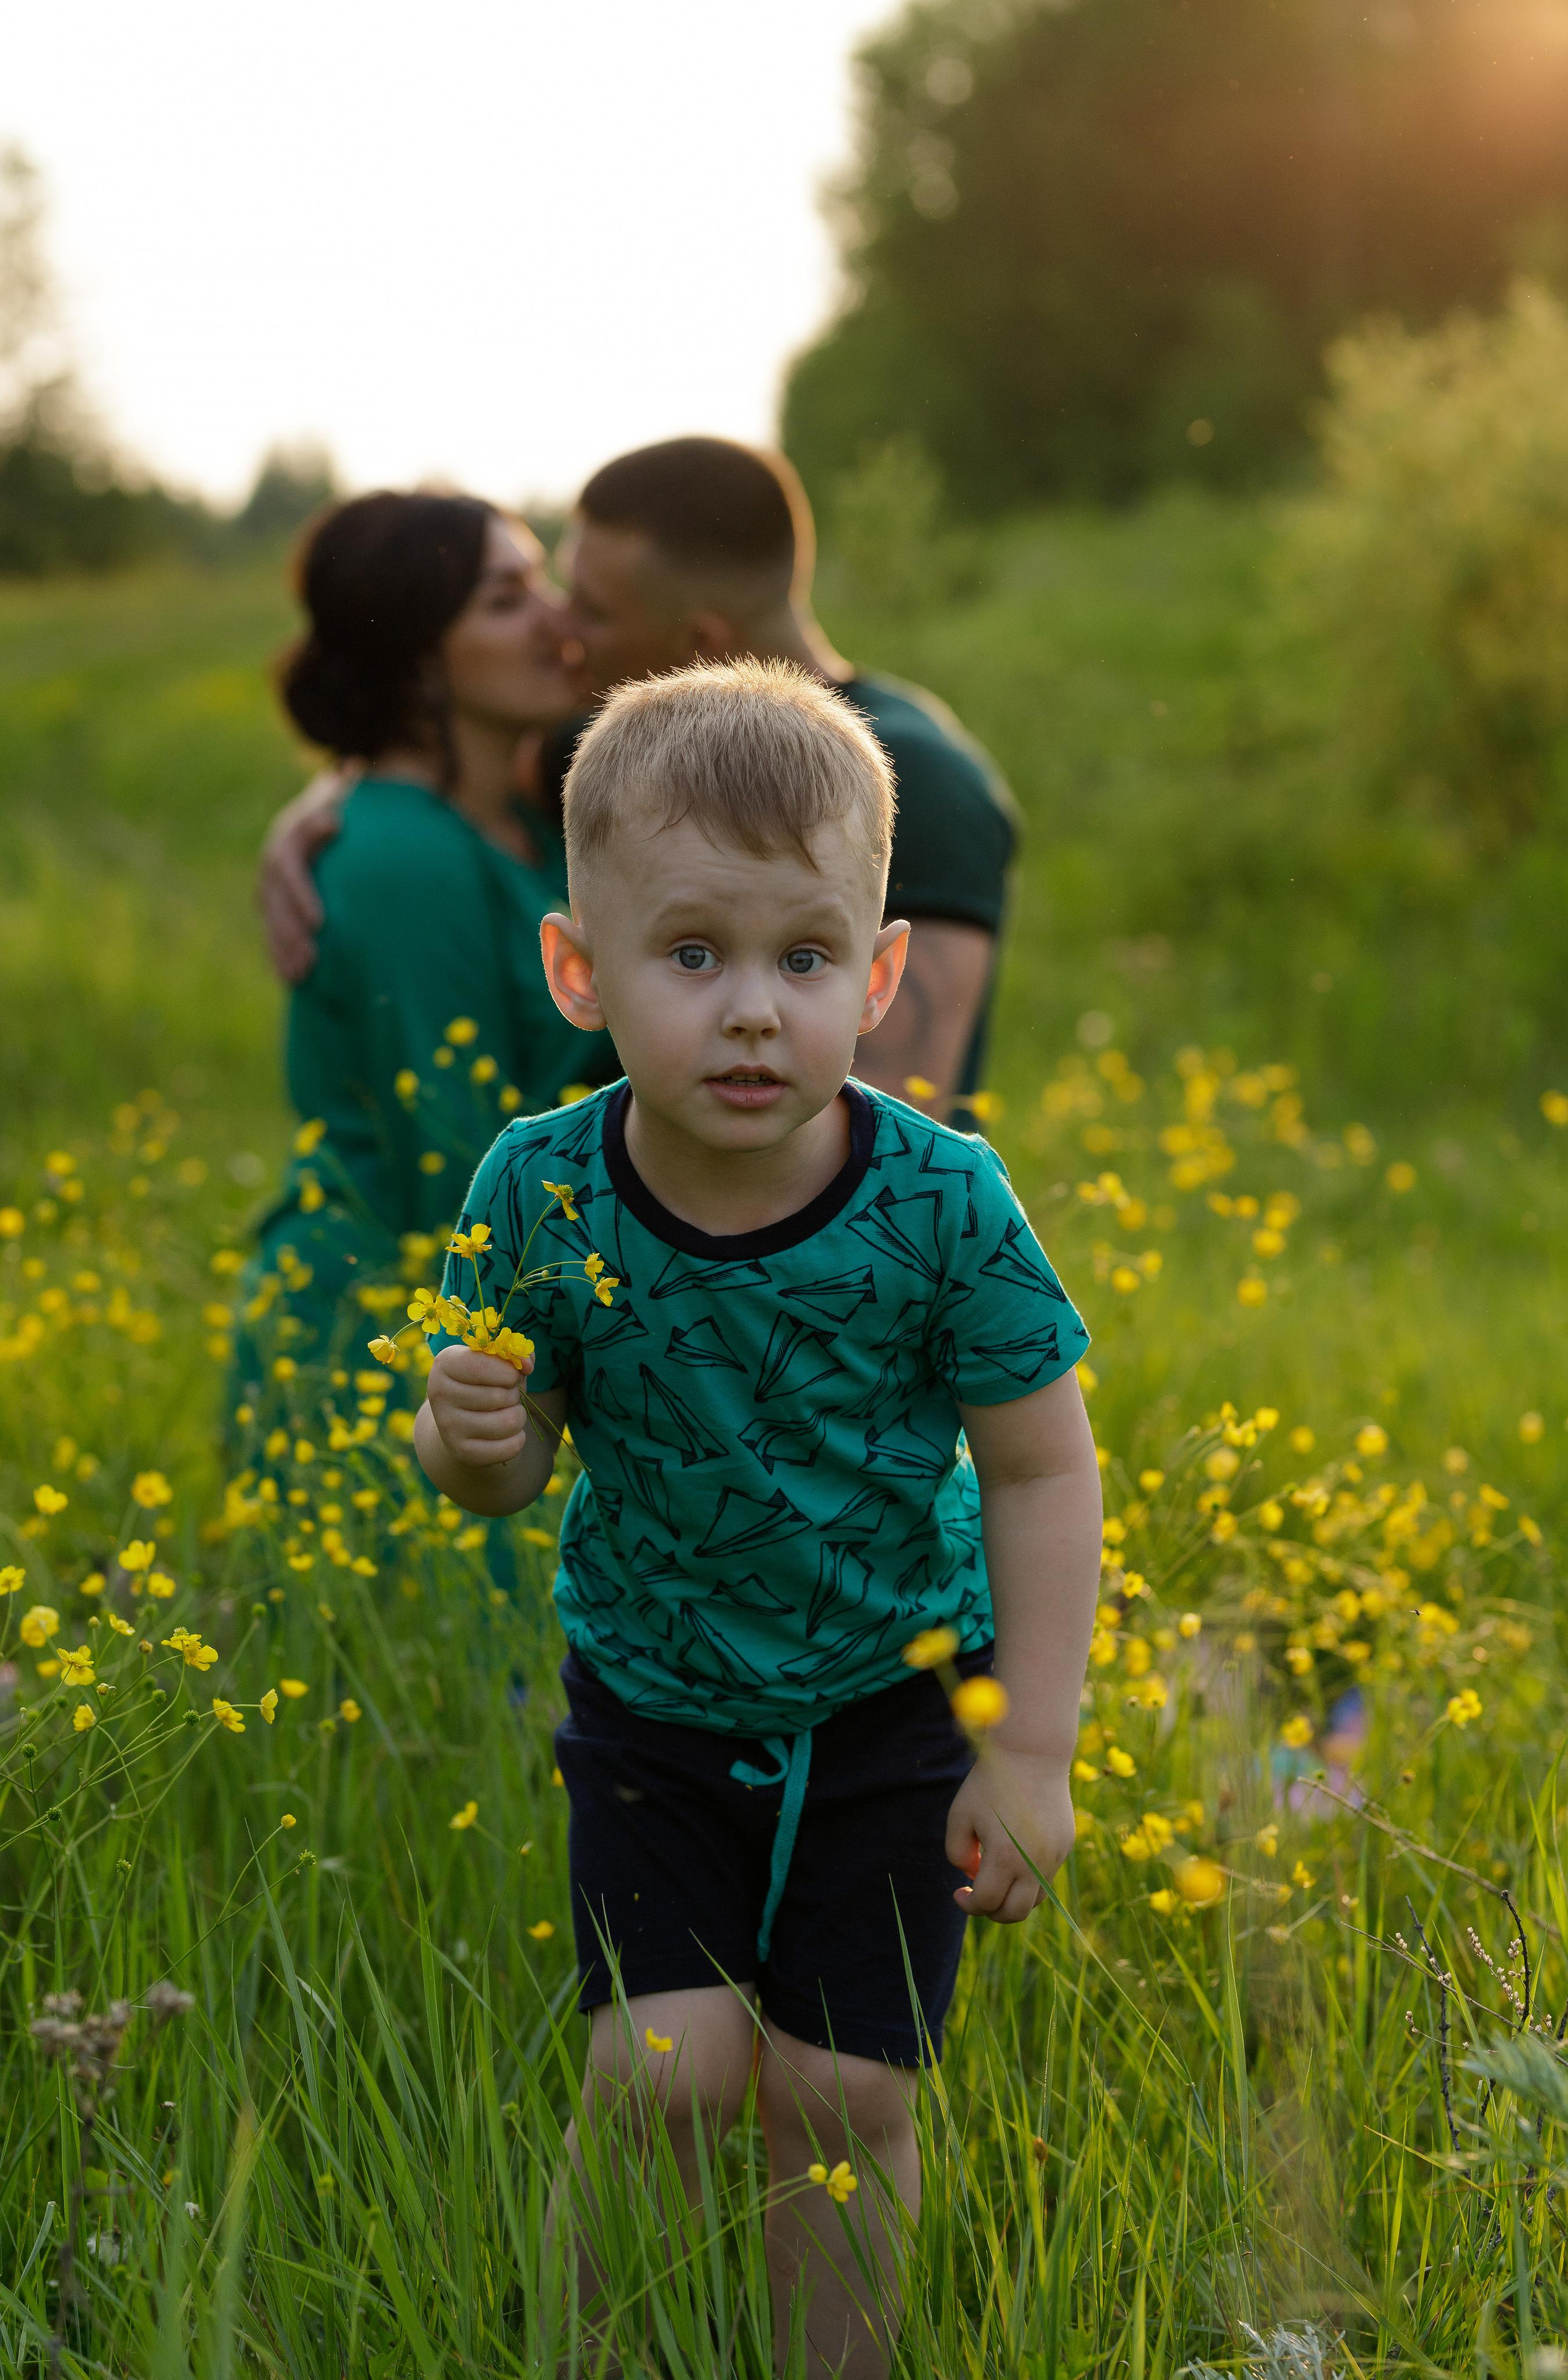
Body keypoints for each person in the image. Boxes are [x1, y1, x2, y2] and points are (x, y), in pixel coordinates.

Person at [410, 659, 1100, 2377]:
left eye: (802, 960)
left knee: (847, 2086)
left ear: (878, 979)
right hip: (652, 1693)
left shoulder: (944, 1200)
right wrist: (473, 1435)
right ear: (581, 968)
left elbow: (1039, 1464)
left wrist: (1032, 1751)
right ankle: (591, 2352)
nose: (747, 1011)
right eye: (691, 953)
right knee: (667, 2074)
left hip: (893, 1692)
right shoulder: (542, 1186)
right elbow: (506, 1480)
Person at [257, 437, 1018, 1126]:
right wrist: (338, 797)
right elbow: (427, 792)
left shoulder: (918, 780)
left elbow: (889, 1115)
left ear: (700, 645)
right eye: (534, 595)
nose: (561, 629)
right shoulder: (601, 760)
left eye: (590, 610)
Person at [234, 490, 609, 1403]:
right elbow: (453, 1167)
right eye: (507, 599)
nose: (557, 617)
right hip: (392, 1343)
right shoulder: (404, 859)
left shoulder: (523, 813)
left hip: (484, 1325)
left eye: (543, 582)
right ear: (414, 662)